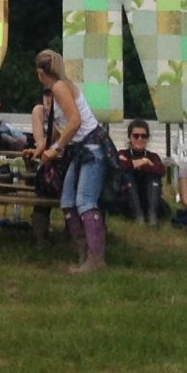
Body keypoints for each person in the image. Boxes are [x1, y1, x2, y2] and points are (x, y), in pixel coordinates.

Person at [34, 49, 113, 273]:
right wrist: (43, 147)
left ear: (41, 72)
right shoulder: (60, 87)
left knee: (85, 201)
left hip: (91, 146)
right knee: (68, 201)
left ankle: (96, 259)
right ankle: (83, 254)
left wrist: (56, 149)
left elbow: (76, 122)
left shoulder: (59, 87)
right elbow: (64, 127)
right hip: (80, 149)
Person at [116, 121, 168, 226]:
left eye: (143, 136)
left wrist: (135, 165)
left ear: (148, 138)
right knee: (127, 176)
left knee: (154, 177)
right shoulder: (122, 153)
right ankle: (138, 216)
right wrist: (145, 162)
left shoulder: (153, 156)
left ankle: (152, 216)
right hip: (128, 200)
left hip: (148, 198)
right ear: (129, 137)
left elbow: (160, 170)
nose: (140, 139)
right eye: (136, 136)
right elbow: (119, 167)